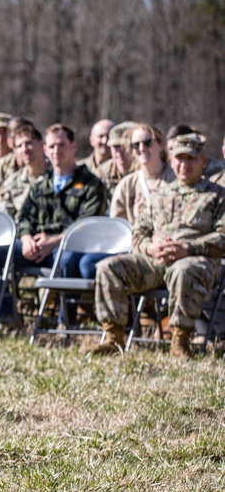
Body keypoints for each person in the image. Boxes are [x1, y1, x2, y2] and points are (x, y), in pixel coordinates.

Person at [90, 133, 225, 357]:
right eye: (179, 159)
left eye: (191, 159)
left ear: (203, 161)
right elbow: (139, 232)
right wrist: (149, 248)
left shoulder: (217, 196)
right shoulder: (160, 195)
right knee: (108, 267)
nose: (184, 165)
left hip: (195, 262)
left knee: (184, 270)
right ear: (171, 160)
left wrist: (188, 249)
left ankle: (180, 342)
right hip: (155, 261)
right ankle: (114, 338)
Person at [0, 124, 107, 318]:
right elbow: (25, 218)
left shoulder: (91, 184)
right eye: (51, 146)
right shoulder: (41, 184)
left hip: (66, 247)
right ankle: (5, 317)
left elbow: (87, 225)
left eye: (62, 145)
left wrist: (54, 241)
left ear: (73, 146)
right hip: (35, 247)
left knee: (68, 259)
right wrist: (26, 238)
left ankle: (66, 323)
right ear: (45, 149)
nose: (56, 151)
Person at [109, 124, 174, 224]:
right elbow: (117, 226)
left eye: (148, 143)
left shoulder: (175, 179)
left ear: (160, 145)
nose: (142, 148)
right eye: (136, 145)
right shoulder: (126, 185)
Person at [0, 122, 50, 220]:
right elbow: (3, 219)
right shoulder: (11, 183)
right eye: (19, 146)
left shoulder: (58, 177)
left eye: (28, 143)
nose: (24, 149)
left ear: (42, 143)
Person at [97, 122, 136, 196]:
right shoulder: (102, 172)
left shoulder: (145, 170)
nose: (120, 151)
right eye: (116, 146)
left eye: (125, 146)